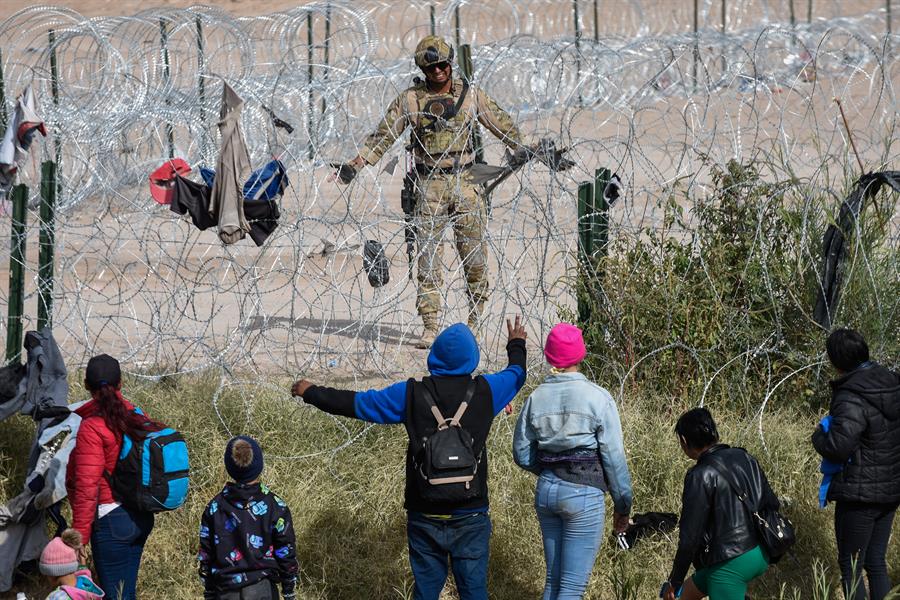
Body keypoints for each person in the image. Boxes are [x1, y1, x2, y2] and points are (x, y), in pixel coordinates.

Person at [291, 317, 527, 600]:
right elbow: (517, 374)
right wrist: (516, 344)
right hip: (471, 512)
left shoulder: (411, 393)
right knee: (474, 590)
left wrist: (311, 392)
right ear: (472, 358)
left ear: (434, 357)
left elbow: (357, 404)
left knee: (426, 589)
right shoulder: (488, 391)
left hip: (424, 509)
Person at [333, 35, 529, 348]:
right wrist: (355, 165)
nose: (438, 71)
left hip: (466, 182)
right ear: (422, 69)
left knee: (474, 257)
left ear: (450, 63)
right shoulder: (409, 100)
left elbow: (502, 124)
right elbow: (382, 137)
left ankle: (476, 319)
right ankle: (430, 325)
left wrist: (526, 149)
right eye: (431, 66)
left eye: (442, 65)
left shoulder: (471, 96)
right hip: (428, 186)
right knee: (426, 260)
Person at [512, 323, 633, 600]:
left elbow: (521, 452)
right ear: (581, 354)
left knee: (554, 581)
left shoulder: (536, 398)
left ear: (549, 356)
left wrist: (548, 470)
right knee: (571, 589)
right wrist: (622, 504)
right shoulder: (598, 398)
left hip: (547, 490)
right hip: (583, 495)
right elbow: (614, 460)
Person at [812, 328, 900, 600]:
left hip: (860, 492)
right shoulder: (893, 383)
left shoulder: (851, 395)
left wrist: (818, 436)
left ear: (836, 361)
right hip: (891, 489)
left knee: (851, 568)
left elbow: (839, 447)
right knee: (875, 562)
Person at [65, 354, 157, 600]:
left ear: (86, 386)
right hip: (140, 516)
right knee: (125, 593)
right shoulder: (135, 414)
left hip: (112, 521)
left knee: (115, 595)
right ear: (120, 384)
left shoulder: (92, 427)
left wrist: (79, 539)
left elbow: (87, 487)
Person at [662, 408, 778, 600]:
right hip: (760, 550)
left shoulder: (699, 475)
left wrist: (675, 581)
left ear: (684, 440)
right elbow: (772, 503)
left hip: (731, 562)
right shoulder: (746, 458)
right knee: (687, 595)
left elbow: (690, 537)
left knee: (708, 582)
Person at [198, 436, 298, 600]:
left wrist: (209, 591)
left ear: (229, 467)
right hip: (263, 589)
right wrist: (289, 590)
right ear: (259, 465)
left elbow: (206, 554)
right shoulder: (276, 506)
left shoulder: (214, 507)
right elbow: (286, 552)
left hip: (225, 591)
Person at [40, 529, 105, 600]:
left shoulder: (57, 597)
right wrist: (82, 562)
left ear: (52, 575)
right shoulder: (86, 585)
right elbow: (84, 574)